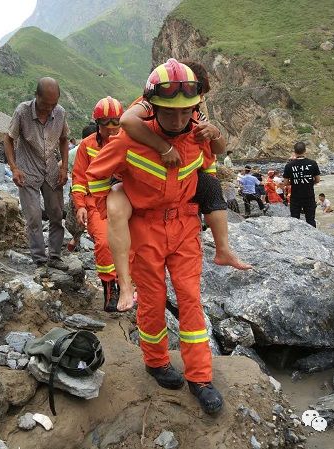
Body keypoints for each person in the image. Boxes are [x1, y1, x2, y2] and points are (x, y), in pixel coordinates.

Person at [86, 59, 225, 415]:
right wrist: (115, 209)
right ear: (154, 107)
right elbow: (95, 177)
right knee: (152, 300)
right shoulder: (129, 140)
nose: (178, 121)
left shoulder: (197, 135)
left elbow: (209, 170)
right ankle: (156, 361)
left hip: (185, 228)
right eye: (169, 113)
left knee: (191, 299)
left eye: (186, 112)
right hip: (145, 229)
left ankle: (200, 378)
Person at [109, 59, 251, 310]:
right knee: (118, 213)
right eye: (200, 94)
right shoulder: (148, 104)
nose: (182, 114)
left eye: (197, 99)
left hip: (182, 177)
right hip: (136, 175)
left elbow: (217, 147)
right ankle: (125, 283)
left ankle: (223, 249)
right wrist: (164, 147)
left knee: (211, 188)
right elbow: (128, 122)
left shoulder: (194, 112)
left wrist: (214, 132)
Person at [4, 77, 69, 270]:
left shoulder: (60, 112)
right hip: (28, 172)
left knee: (57, 215)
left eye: (54, 104)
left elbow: (64, 139)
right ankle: (40, 259)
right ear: (36, 96)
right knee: (33, 217)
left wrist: (64, 167)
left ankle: (55, 256)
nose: (49, 109)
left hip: (52, 171)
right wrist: (14, 168)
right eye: (45, 104)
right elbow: (8, 139)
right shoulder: (22, 111)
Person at [71, 97, 124, 312]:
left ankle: (125, 286)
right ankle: (110, 291)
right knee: (103, 243)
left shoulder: (129, 141)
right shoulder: (88, 145)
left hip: (123, 200)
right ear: (97, 124)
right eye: (105, 126)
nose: (111, 131)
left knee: (128, 246)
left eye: (115, 125)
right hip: (96, 202)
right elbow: (79, 178)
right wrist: (80, 205)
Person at [65, 122, 98, 252]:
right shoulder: (86, 149)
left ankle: (76, 239)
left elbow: (65, 166)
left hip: (78, 190)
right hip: (88, 192)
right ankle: (81, 239)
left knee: (78, 218)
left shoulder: (74, 151)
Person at [283, 141, 321, 227]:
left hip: (295, 197)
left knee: (295, 220)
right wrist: (309, 182)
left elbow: (285, 183)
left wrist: (295, 182)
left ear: (294, 152)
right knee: (310, 219)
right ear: (305, 151)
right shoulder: (312, 163)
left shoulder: (289, 165)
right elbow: (318, 180)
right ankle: (313, 238)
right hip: (309, 195)